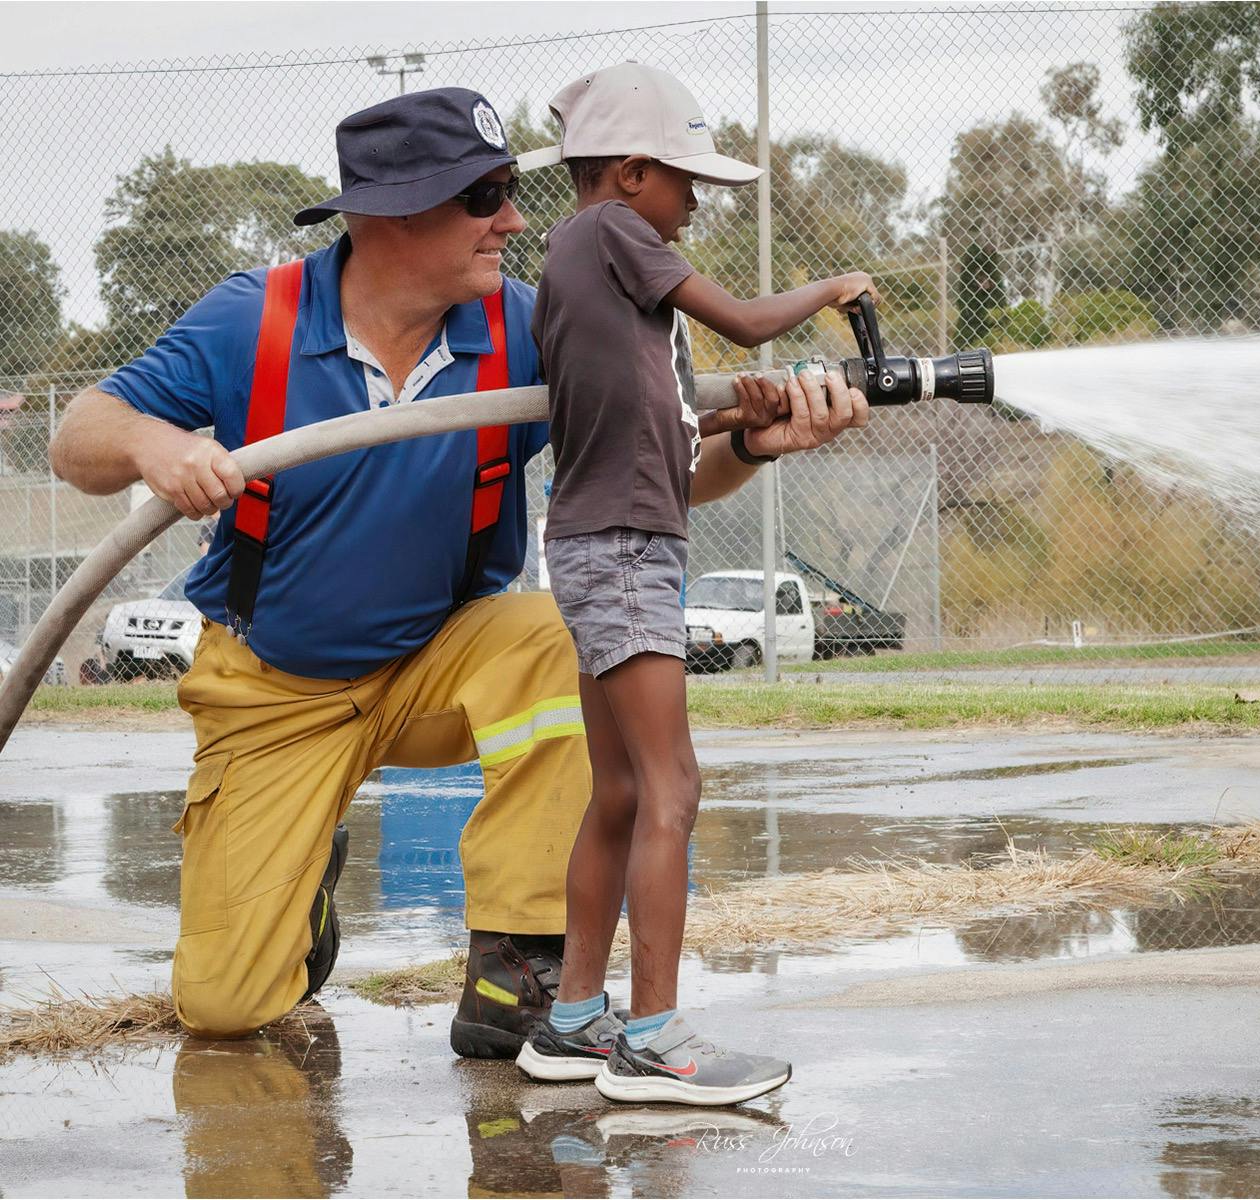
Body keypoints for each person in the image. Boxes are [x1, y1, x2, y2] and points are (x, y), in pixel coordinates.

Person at [47, 86, 867, 1051]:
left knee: (573, 631)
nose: (515, 219)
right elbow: (77, 437)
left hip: (443, 659)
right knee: (226, 1008)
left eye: (512, 189)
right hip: (273, 688)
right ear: (392, 215)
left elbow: (648, 482)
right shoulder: (252, 320)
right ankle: (301, 875)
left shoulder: (530, 322)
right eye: (485, 197)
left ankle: (523, 972)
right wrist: (153, 444)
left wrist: (757, 444)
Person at [512, 62, 873, 1106]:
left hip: (609, 542)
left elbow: (653, 437)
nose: (697, 205)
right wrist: (832, 289)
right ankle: (655, 1044)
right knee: (674, 787)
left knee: (623, 789)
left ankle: (577, 1021)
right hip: (621, 551)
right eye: (688, 183)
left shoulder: (589, 272)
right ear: (628, 173)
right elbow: (753, 323)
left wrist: (739, 429)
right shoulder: (615, 235)